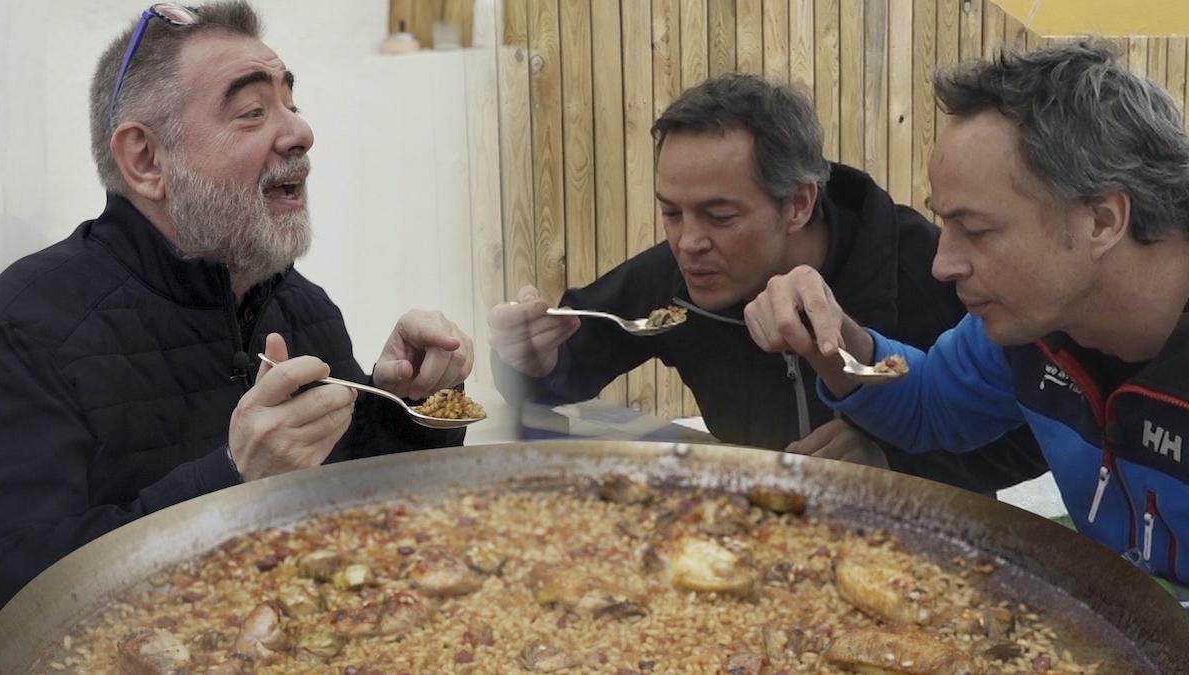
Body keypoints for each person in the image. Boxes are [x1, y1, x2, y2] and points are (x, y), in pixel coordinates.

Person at [0, 1, 473, 617]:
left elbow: (368, 513)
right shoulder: (24, 325)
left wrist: (408, 403)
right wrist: (232, 477)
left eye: (291, 103)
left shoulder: (304, 308)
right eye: (252, 112)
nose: (300, 133)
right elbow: (11, 585)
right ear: (145, 160)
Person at [744, 39, 1189, 585]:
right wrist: (829, 335)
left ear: (1101, 221)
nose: (942, 263)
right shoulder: (1032, 328)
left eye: (976, 231)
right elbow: (929, 405)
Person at [489, 72, 1046, 492]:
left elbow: (1036, 439)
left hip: (919, 552)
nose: (688, 242)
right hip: (755, 542)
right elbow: (557, 374)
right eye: (671, 212)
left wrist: (893, 459)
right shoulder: (672, 278)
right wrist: (530, 362)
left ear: (799, 203)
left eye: (719, 216)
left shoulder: (932, 267)